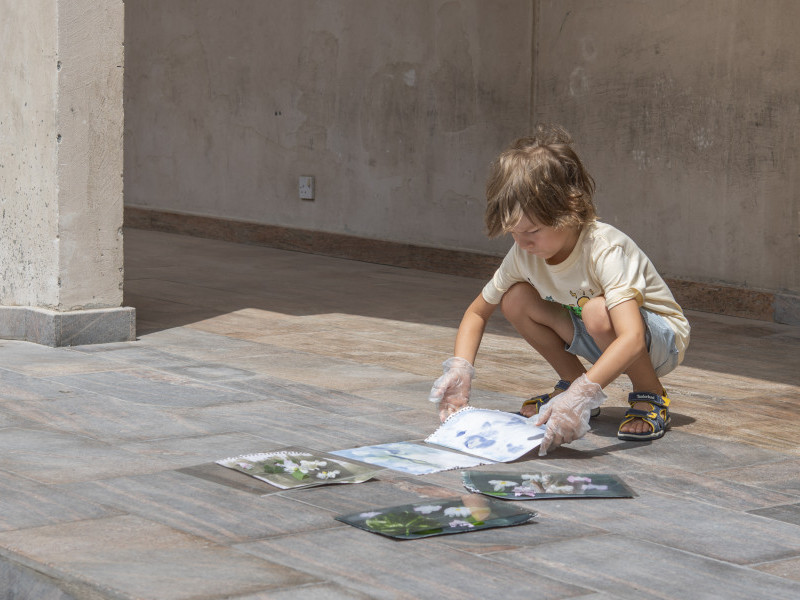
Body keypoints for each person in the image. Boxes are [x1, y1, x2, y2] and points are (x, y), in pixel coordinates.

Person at [429, 124, 690, 455]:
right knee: (516, 298)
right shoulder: (524, 253)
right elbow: (477, 312)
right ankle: (571, 381)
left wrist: (583, 393)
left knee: (597, 310)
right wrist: (460, 369)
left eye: (534, 230)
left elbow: (632, 337)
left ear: (569, 207)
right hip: (600, 333)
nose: (524, 242)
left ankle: (649, 393)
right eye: (513, 232)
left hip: (658, 340)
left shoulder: (603, 248)